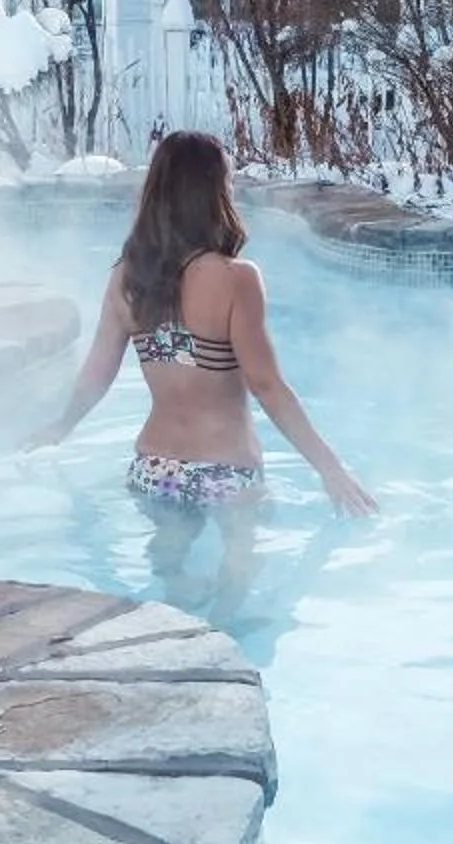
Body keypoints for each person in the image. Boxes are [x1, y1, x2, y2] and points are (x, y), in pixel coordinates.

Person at [26, 133, 378, 539]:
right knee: (239, 577)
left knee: (167, 573)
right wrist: (331, 469)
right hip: (227, 475)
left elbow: (97, 374)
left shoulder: (126, 277)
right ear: (214, 193)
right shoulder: (236, 278)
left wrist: (61, 426)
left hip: (153, 470)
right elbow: (267, 386)